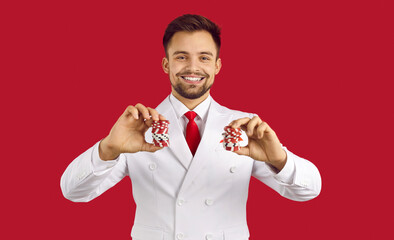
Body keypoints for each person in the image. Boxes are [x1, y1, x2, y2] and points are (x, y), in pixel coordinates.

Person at [61, 14, 322, 240]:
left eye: (204, 58)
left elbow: (309, 192)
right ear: (166, 65)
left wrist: (279, 159)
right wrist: (108, 149)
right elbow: (73, 192)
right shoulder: (138, 127)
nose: (193, 67)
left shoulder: (245, 127)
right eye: (182, 57)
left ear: (217, 66)